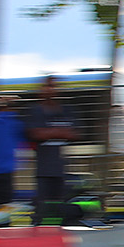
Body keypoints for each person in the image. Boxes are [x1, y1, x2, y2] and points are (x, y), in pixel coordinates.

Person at [23, 76, 79, 226]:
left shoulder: (66, 110)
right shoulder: (35, 111)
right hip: (43, 170)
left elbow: (74, 133)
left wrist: (49, 132)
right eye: (47, 86)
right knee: (42, 210)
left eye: (53, 86)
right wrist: (60, 131)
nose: (50, 89)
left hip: (61, 170)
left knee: (61, 209)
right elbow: (35, 134)